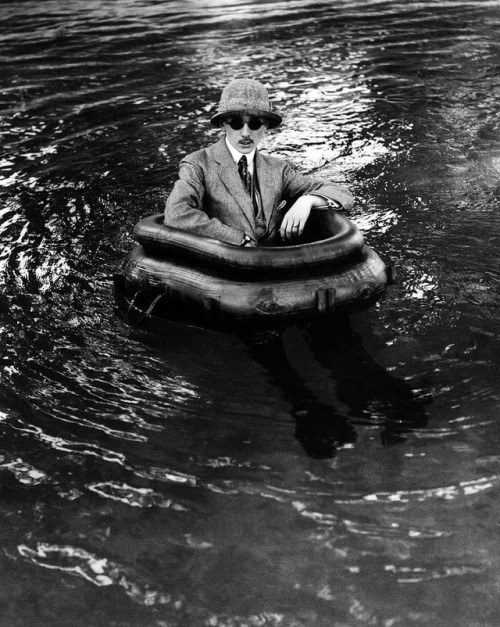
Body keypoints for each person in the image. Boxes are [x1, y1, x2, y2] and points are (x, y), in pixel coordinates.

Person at [164, 79, 355, 247]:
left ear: (265, 127)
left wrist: (307, 200)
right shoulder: (197, 164)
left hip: (274, 267)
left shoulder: (279, 170)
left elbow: (342, 193)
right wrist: (237, 240)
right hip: (224, 267)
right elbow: (177, 213)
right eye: (237, 123)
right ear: (223, 124)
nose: (246, 133)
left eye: (255, 123)